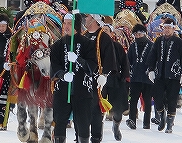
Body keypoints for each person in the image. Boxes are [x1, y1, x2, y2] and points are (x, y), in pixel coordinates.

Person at [50, 13, 97, 143]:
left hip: (82, 91)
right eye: (64, 23)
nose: (66, 26)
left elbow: (92, 65)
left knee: (83, 124)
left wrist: (79, 60)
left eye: (69, 23)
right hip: (62, 92)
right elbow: (54, 66)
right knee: (59, 122)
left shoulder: (88, 44)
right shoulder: (56, 46)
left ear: (76, 25)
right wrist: (62, 74)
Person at [146, 18, 182, 133]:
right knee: (158, 98)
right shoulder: (158, 41)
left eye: (169, 28)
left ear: (174, 29)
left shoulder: (179, 42)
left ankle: (169, 124)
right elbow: (152, 55)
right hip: (160, 75)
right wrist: (150, 69)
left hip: (174, 76)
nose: (167, 30)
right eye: (165, 28)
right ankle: (161, 115)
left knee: (172, 100)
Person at [83, 14, 117, 143]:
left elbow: (109, 58)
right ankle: (81, 135)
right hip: (82, 79)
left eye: (88, 17)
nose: (85, 19)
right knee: (82, 108)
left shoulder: (104, 37)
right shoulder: (84, 35)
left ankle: (96, 137)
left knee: (95, 109)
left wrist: (105, 75)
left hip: (97, 79)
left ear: (94, 20)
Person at [102, 23, 130, 140]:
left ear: (112, 33)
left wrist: (125, 78)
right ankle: (98, 129)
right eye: (102, 30)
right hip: (100, 81)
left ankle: (116, 126)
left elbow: (125, 63)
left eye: (107, 30)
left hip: (116, 80)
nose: (104, 32)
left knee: (118, 109)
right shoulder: (95, 46)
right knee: (98, 107)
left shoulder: (118, 47)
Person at [126, 24, 153, 130]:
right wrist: (129, 70)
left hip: (147, 78)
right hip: (135, 77)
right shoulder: (132, 46)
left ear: (144, 34)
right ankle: (132, 120)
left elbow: (154, 60)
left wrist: (151, 70)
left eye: (139, 34)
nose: (137, 36)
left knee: (147, 101)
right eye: (136, 34)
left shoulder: (151, 45)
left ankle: (146, 123)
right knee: (133, 100)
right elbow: (128, 60)